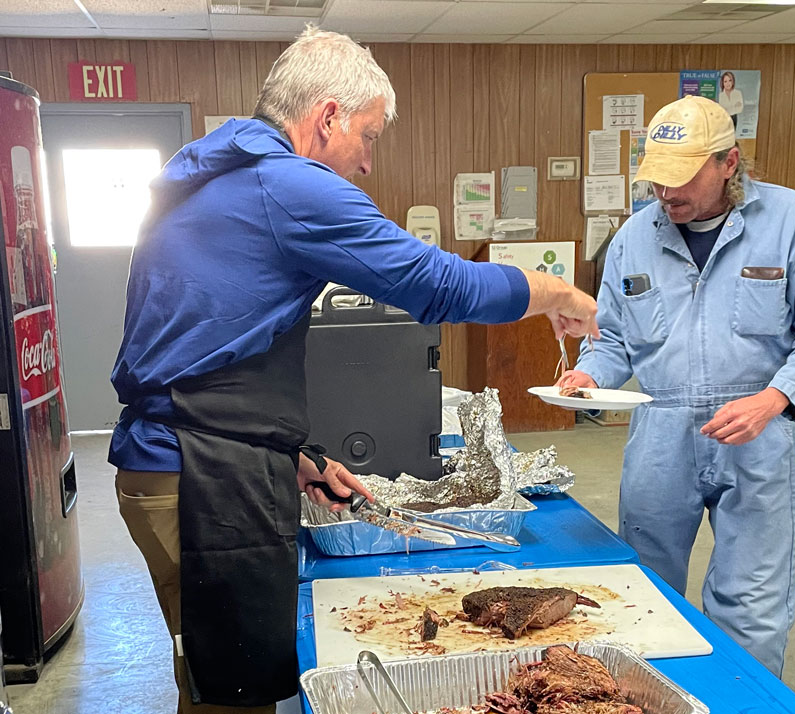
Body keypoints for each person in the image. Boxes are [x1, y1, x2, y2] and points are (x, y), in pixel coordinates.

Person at [110, 26, 598, 714]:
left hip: (188, 453)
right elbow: (438, 286)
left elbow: (214, 347)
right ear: (327, 116)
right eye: (367, 136)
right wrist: (557, 292)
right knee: (231, 694)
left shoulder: (218, 175)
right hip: (195, 473)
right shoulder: (286, 185)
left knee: (218, 675)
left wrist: (294, 456)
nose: (368, 163)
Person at [557, 95, 795, 677]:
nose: (666, 196)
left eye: (681, 178)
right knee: (641, 590)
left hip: (755, 433)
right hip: (660, 431)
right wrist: (590, 372)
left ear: (729, 163)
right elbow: (613, 336)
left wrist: (774, 400)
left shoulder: (793, 221)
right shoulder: (633, 239)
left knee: (752, 603)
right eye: (656, 182)